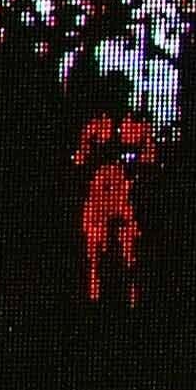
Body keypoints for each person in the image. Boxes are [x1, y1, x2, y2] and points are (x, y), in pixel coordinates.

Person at [72, 89, 156, 306]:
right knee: (94, 252)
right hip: (98, 196)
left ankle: (133, 298)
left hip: (124, 196)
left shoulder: (138, 128)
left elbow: (149, 161)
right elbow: (79, 161)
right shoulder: (95, 127)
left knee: (130, 252)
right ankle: (94, 298)